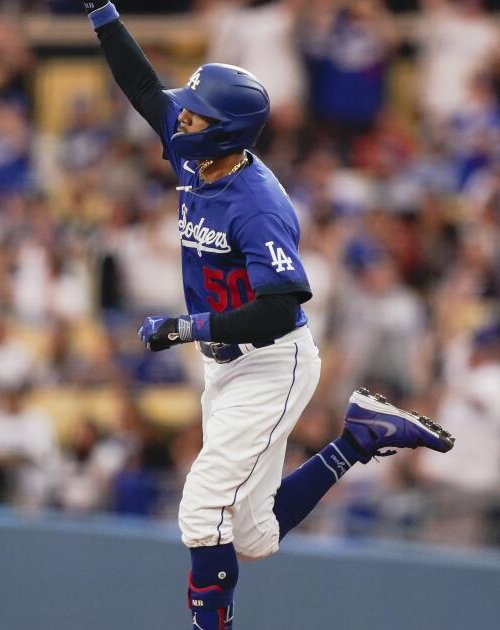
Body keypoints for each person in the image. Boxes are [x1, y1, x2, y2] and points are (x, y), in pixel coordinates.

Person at [82, 3, 455, 627]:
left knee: (200, 513)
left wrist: (185, 327)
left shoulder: (259, 205)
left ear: (226, 130)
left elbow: (279, 310)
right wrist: (103, 15)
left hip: (269, 364)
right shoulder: (195, 150)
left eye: (197, 113)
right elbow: (143, 85)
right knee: (252, 539)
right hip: (226, 367)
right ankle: (359, 437)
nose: (183, 116)